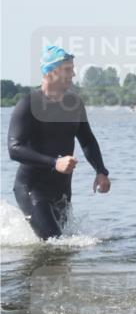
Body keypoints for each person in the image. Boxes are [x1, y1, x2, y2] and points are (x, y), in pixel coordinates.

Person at [7, 46, 111, 240]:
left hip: (62, 191)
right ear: (51, 72)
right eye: (67, 69)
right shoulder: (29, 103)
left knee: (62, 248)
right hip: (32, 189)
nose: (73, 74)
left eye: (72, 68)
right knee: (55, 241)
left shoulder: (75, 103)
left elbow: (87, 139)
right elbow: (14, 149)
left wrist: (101, 171)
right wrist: (55, 162)